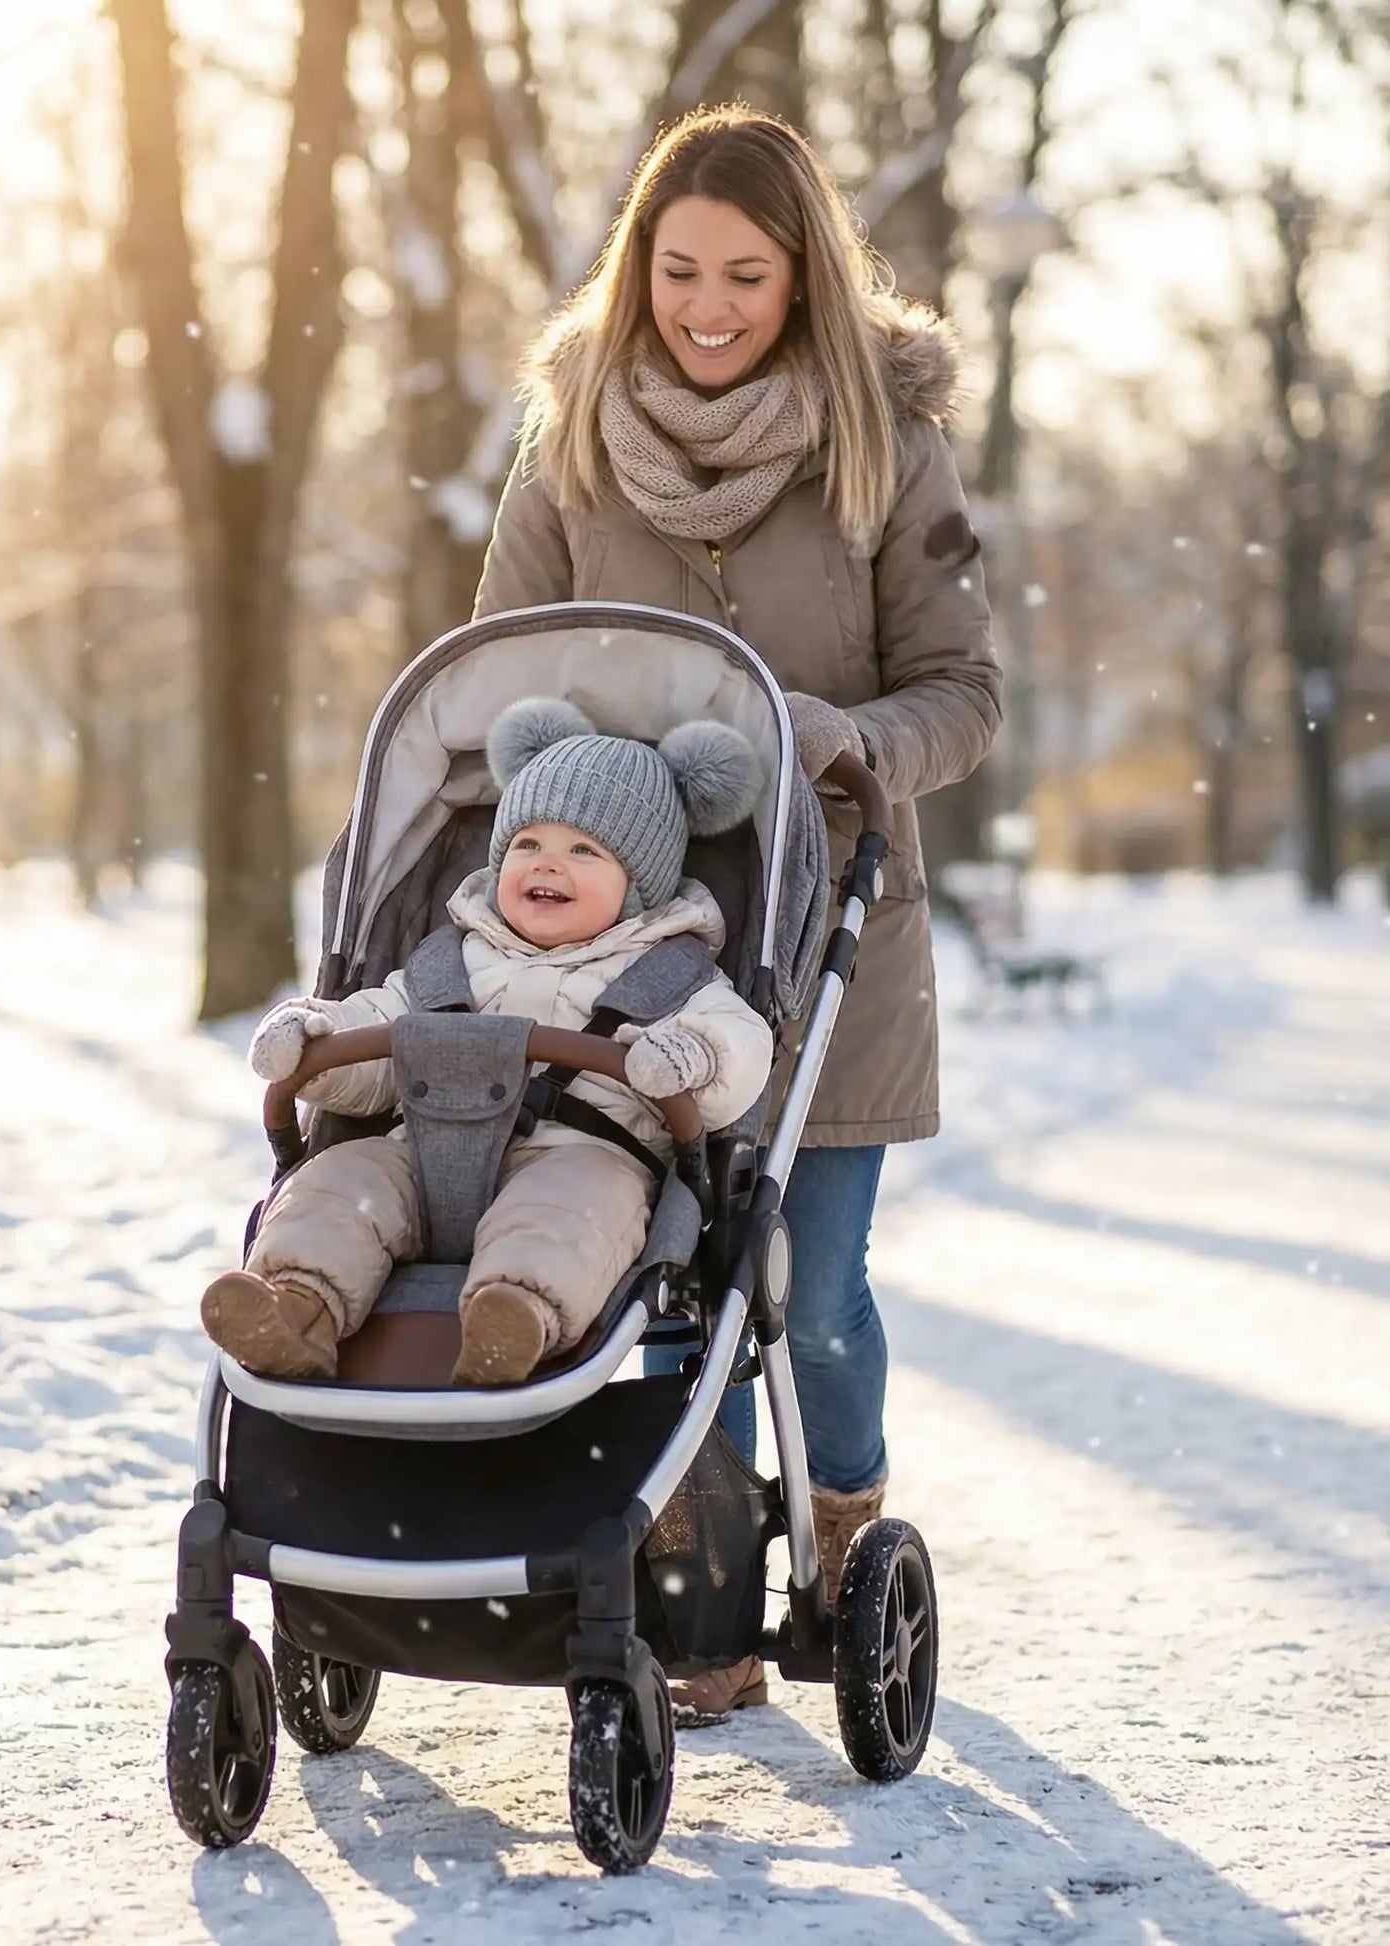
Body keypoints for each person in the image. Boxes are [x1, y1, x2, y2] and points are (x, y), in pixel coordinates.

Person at [473, 107, 1001, 1714]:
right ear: (639, 268)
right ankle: (696, 1585)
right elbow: (493, 668)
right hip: (630, 934)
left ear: (803, 280)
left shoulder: (882, 446)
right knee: (661, 1286)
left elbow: (965, 693)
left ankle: (843, 1526)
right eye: (680, 270)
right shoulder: (568, 440)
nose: (708, 307)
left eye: (747, 278)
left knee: (810, 1293)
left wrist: (855, 741)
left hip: (827, 921)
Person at [201, 698, 775, 1389]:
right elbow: (378, 1036)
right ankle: (294, 1310)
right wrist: (316, 1043)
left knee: (570, 1215)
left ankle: (515, 1321)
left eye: (584, 851)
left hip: (581, 1155)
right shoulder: (451, 959)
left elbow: (741, 1040)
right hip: (421, 1151)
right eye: (527, 844)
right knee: (339, 1184)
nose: (547, 864)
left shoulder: (671, 973)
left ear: (640, 885)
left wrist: (694, 1057)